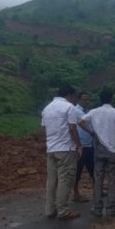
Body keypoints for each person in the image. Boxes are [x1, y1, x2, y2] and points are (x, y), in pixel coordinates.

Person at [78, 89, 115, 218]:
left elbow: (80, 122)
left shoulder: (94, 112)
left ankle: (97, 208)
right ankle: (111, 209)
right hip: (113, 150)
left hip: (98, 150)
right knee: (112, 180)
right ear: (112, 99)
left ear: (100, 99)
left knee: (98, 179)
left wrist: (91, 132)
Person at [40, 84, 82, 220]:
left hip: (51, 149)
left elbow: (43, 130)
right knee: (65, 180)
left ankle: (49, 209)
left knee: (51, 180)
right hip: (66, 150)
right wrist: (79, 145)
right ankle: (63, 211)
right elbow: (72, 128)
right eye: (73, 96)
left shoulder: (46, 109)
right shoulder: (69, 107)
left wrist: (49, 144)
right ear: (69, 95)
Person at [73, 91, 94, 203]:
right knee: (78, 170)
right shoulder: (75, 111)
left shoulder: (88, 111)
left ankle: (97, 190)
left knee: (93, 168)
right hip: (80, 145)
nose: (86, 101)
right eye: (84, 99)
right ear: (78, 99)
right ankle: (76, 193)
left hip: (90, 144)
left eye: (88, 99)